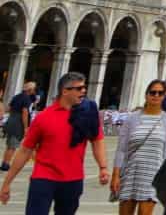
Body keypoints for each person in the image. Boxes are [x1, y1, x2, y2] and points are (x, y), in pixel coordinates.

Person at [0, 73, 107, 215]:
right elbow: (25, 151)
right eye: (79, 88)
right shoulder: (44, 117)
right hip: (44, 178)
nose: (84, 91)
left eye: (84, 87)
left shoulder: (87, 115)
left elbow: (97, 140)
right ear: (65, 91)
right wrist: (7, 183)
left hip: (73, 179)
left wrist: (103, 167)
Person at [112, 80, 166, 215]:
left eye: (160, 93)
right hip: (131, 171)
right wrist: (116, 176)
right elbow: (121, 149)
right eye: (152, 92)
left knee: (144, 212)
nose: (156, 96)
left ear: (164, 96)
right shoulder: (131, 119)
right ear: (146, 95)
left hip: (153, 175)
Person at [2, 83, 36, 173]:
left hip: (11, 120)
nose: (34, 91)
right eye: (33, 89)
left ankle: (5, 162)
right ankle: (5, 164)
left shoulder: (17, 96)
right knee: (12, 145)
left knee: (10, 144)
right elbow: (25, 112)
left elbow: (8, 108)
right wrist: (25, 127)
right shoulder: (26, 98)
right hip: (18, 123)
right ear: (30, 90)